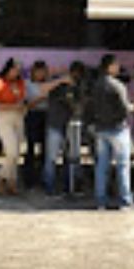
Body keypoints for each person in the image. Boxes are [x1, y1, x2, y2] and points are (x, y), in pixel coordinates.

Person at [92, 54, 134, 210]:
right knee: (122, 166)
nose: (118, 68)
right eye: (116, 65)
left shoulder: (96, 85)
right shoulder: (118, 86)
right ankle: (125, 201)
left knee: (101, 166)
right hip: (118, 129)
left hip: (100, 129)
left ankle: (100, 201)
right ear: (110, 66)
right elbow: (125, 108)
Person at [42, 61, 84, 196]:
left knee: (71, 158)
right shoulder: (58, 83)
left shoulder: (78, 87)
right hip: (56, 124)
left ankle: (69, 186)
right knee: (51, 158)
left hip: (69, 125)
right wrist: (61, 81)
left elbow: (78, 105)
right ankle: (49, 187)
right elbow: (43, 90)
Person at [0, 58, 26, 196]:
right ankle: (1, 178)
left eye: (18, 71)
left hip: (18, 116)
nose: (16, 73)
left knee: (17, 151)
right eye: (14, 70)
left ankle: (12, 182)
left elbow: (22, 99)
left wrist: (21, 105)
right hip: (4, 117)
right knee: (11, 151)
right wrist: (13, 106)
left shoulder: (20, 83)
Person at [23, 61, 54, 190]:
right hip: (33, 115)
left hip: (46, 115)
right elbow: (26, 104)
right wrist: (40, 99)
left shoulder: (49, 84)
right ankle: (29, 179)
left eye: (43, 72)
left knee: (45, 148)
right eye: (38, 72)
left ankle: (43, 178)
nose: (40, 74)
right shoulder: (27, 84)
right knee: (30, 148)